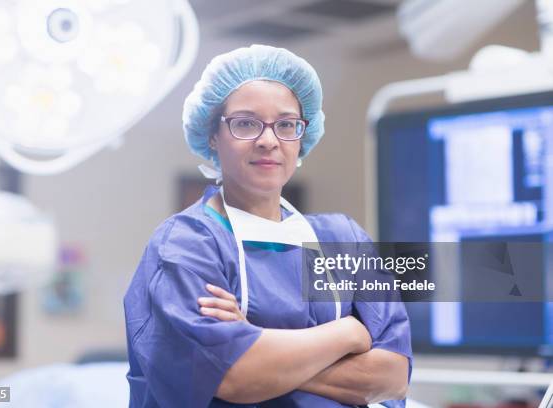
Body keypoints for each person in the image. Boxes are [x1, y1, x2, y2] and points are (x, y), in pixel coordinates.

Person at [124, 44, 412, 408]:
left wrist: (256, 341)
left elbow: (392, 377)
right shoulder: (187, 245)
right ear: (213, 135)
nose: (268, 140)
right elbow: (235, 378)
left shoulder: (342, 240)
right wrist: (348, 333)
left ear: (302, 136)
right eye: (245, 123)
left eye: (286, 124)